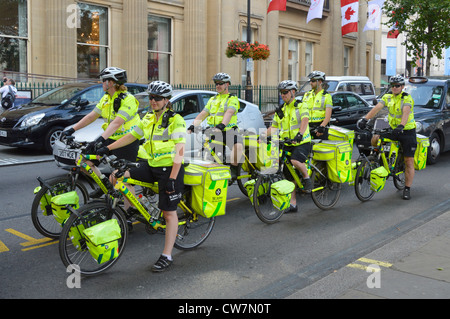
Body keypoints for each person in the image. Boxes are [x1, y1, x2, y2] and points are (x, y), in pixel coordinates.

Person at [97, 81, 186, 272]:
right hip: (151, 165)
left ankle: (167, 255)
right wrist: (106, 147)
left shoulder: (175, 120)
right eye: (151, 97)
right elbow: (131, 136)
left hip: (170, 169)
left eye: (158, 98)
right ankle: (134, 210)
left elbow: (180, 150)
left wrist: (172, 177)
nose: (153, 101)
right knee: (117, 176)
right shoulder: (147, 117)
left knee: (169, 213)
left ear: (166, 100)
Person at [62, 67, 140, 198]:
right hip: (111, 137)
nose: (101, 83)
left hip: (127, 141)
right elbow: (91, 116)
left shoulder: (128, 99)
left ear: (111, 83)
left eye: (103, 80)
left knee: (118, 177)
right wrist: (72, 129)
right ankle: (105, 185)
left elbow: (117, 122)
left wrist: (100, 139)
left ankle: (129, 211)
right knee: (83, 162)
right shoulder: (106, 98)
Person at [357, 74, 416, 200]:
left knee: (409, 161)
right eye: (392, 86)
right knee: (375, 137)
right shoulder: (387, 97)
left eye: (397, 86)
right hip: (393, 129)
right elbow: (377, 108)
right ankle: (376, 158)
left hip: (407, 131)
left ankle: (407, 188)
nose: (394, 88)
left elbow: (406, 112)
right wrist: (365, 119)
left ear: (402, 87)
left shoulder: (407, 98)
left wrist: (401, 125)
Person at [260, 80, 312, 213]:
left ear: (293, 92)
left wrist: (300, 134)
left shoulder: (301, 106)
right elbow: (274, 127)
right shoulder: (281, 110)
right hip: (287, 143)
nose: (283, 95)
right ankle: (293, 205)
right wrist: (262, 136)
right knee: (289, 176)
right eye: (281, 93)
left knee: (295, 160)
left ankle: (307, 177)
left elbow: (305, 120)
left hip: (302, 142)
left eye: (285, 92)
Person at [187, 73, 243, 180]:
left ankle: (234, 169)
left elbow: (229, 112)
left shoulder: (232, 98)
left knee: (238, 146)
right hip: (215, 131)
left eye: (220, 83)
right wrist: (193, 125)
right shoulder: (212, 99)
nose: (218, 86)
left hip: (229, 130)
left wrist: (222, 125)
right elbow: (203, 114)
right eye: (216, 83)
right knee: (214, 157)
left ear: (227, 84)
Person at [303, 71, 333, 139]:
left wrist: (321, 127)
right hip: (307, 127)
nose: (311, 83)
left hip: (320, 128)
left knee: (320, 149)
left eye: (313, 81)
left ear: (319, 82)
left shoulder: (326, 96)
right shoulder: (307, 95)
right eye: (310, 81)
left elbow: (327, 117)